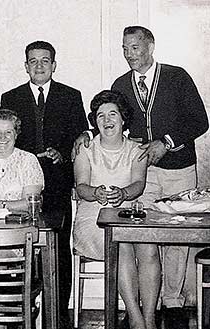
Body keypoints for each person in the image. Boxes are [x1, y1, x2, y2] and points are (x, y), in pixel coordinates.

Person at [74, 26, 208, 329]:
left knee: (175, 236)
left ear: (150, 47)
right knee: (143, 236)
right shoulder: (121, 83)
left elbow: (200, 120)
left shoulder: (176, 76)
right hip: (140, 172)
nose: (129, 54)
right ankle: (148, 305)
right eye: (125, 48)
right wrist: (84, 133)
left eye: (135, 47)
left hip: (178, 168)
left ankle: (171, 303)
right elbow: (109, 118)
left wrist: (167, 141)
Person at [0, 40, 88, 327]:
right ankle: (22, 307)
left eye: (45, 60)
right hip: (19, 185)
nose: (39, 65)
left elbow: (78, 135)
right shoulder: (10, 97)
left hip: (57, 181)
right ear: (26, 65)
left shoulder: (71, 96)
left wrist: (61, 152)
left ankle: (58, 312)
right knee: (20, 243)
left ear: (54, 64)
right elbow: (6, 138)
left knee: (58, 246)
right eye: (33, 61)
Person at [74, 90, 159, 329]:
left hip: (129, 211)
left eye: (113, 114)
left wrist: (123, 194)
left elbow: (138, 185)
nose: (107, 120)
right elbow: (81, 187)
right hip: (93, 215)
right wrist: (96, 192)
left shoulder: (137, 150)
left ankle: (150, 318)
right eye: (101, 115)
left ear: (123, 118)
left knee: (149, 248)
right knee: (119, 244)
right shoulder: (85, 149)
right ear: (95, 121)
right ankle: (135, 318)